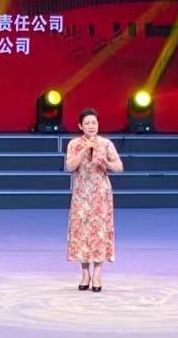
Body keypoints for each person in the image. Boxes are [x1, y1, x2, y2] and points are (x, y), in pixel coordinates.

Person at [65, 108, 123, 293]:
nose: (91, 126)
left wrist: (107, 164)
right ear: (80, 126)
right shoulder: (74, 144)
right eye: (87, 123)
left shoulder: (106, 144)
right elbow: (69, 166)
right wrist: (83, 151)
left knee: (99, 233)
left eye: (94, 123)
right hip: (82, 194)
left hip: (101, 195)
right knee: (82, 233)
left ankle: (97, 273)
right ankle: (85, 273)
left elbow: (119, 167)